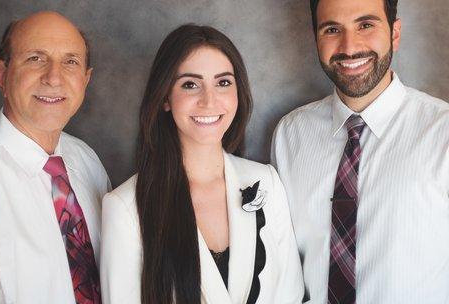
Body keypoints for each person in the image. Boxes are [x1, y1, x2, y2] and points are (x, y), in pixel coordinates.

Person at [272, 0, 449, 303]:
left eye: (366, 25)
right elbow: (282, 271)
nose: (349, 47)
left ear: (394, 33)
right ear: (316, 38)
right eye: (332, 29)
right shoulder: (290, 135)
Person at [101, 24, 304, 304]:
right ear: (165, 99)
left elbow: (291, 296)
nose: (209, 101)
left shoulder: (265, 182)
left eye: (223, 83)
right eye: (190, 84)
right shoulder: (124, 207)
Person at [0, 11, 111, 303]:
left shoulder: (87, 162)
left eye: (70, 62)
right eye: (35, 58)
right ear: (2, 74)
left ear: (85, 79)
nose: (54, 77)